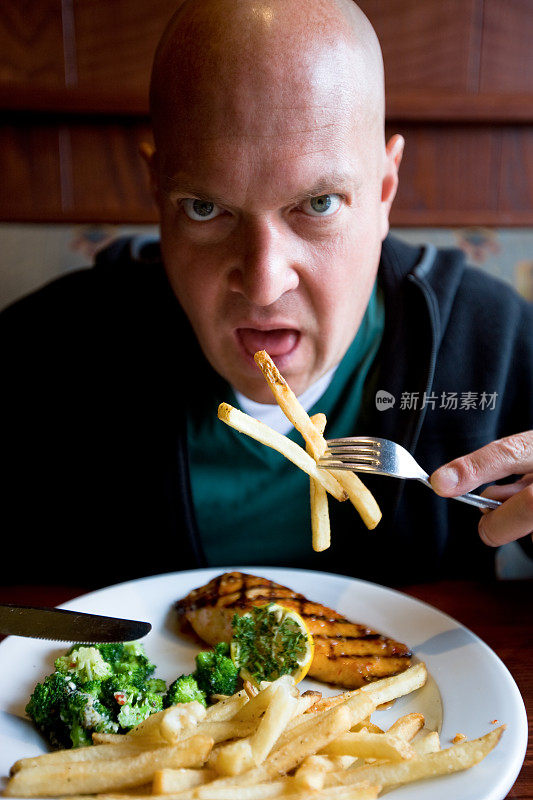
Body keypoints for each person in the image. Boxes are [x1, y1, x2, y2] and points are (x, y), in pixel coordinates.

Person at [2, 0, 532, 588]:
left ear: (385, 191)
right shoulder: (42, 354)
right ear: (157, 193)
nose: (263, 282)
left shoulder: (498, 343)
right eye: (205, 209)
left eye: (318, 204)